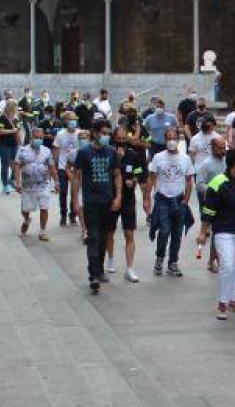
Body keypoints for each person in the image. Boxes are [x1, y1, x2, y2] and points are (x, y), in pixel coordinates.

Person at [195, 148, 235, 319]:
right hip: (224, 231)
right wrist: (203, 231)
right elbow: (208, 209)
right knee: (227, 265)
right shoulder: (218, 182)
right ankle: (222, 303)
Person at [72, 119, 122, 295]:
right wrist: (75, 201)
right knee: (93, 237)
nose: (106, 137)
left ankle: (99, 268)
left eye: (109, 134)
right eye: (103, 133)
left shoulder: (112, 152)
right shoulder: (84, 153)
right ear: (95, 133)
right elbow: (77, 177)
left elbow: (117, 175)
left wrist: (118, 196)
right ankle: (93, 275)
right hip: (91, 202)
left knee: (103, 238)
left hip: (108, 202)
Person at [143, 127, 195, 277]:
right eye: (168, 138)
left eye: (174, 138)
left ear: (178, 140)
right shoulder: (158, 157)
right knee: (164, 230)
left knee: (177, 233)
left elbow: (189, 180)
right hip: (163, 199)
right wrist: (147, 198)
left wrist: (186, 199)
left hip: (179, 200)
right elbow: (151, 178)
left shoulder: (185, 159)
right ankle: (159, 259)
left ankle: (173, 263)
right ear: (165, 140)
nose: (171, 141)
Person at [104, 133, 145, 281]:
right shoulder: (108, 153)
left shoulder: (133, 154)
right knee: (109, 231)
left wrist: (133, 180)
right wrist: (118, 159)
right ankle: (110, 259)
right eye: (118, 139)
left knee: (129, 233)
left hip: (128, 199)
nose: (121, 142)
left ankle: (129, 268)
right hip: (111, 198)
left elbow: (139, 173)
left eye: (123, 139)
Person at [14, 127, 58, 242]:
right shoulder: (22, 150)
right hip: (27, 186)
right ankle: (27, 219)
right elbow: (17, 166)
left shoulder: (46, 151)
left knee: (44, 207)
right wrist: (17, 182)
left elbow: (52, 167)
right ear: (31, 138)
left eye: (40, 138)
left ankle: (43, 231)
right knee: (25, 209)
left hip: (43, 185)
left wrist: (56, 182)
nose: (38, 140)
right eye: (36, 137)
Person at [195, 136, 227, 274]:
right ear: (212, 148)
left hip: (227, 203)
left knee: (221, 232)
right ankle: (213, 260)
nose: (223, 151)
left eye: (224, 148)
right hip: (212, 203)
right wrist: (214, 190)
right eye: (220, 148)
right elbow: (199, 184)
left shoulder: (227, 162)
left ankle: (217, 259)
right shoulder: (206, 164)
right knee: (216, 232)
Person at [53, 110, 81, 226]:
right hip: (62, 166)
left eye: (74, 119)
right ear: (65, 121)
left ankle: (73, 215)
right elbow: (56, 152)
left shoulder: (80, 133)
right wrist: (54, 169)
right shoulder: (60, 134)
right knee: (63, 192)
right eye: (70, 119)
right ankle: (63, 215)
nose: (72, 122)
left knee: (74, 192)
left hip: (76, 167)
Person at [0, 99, 22, 194]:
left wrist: (20, 143)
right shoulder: (2, 118)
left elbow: (18, 131)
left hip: (15, 144)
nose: (16, 110)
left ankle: (12, 180)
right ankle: (5, 185)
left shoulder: (16, 119)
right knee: (5, 164)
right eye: (15, 107)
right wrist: (11, 131)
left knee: (16, 164)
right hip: (4, 145)